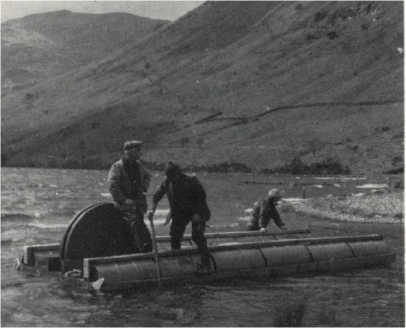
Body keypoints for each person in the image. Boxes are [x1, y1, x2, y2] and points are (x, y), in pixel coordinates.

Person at [148, 161, 212, 274]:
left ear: (178, 173)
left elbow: (201, 198)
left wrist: (197, 214)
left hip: (197, 211)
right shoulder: (166, 181)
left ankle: (207, 264)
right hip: (180, 213)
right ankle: (176, 260)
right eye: (169, 177)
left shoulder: (191, 181)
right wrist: (152, 209)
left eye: (173, 177)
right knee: (175, 235)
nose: (172, 179)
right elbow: (156, 196)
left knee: (197, 236)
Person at [107, 140, 152, 253]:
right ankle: (143, 249)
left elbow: (147, 175)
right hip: (124, 205)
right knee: (136, 225)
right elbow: (112, 186)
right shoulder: (117, 167)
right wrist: (124, 200)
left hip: (137, 204)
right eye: (138, 151)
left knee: (138, 225)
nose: (140, 153)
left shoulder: (139, 166)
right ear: (130, 152)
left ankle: (138, 249)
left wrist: (143, 189)